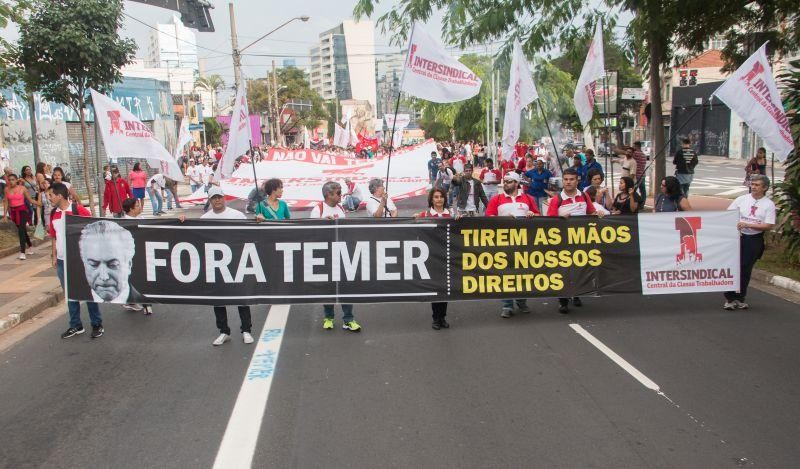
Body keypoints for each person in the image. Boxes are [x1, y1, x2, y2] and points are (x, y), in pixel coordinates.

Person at [49, 183, 104, 339]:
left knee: (87, 291)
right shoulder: (54, 213)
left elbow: (93, 229)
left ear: (59, 195)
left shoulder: (77, 210)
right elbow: (53, 236)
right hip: (62, 261)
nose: (50, 198)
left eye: (51, 195)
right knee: (70, 294)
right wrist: (53, 255)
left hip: (80, 259)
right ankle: (75, 325)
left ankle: (97, 323)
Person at [201, 187, 254, 345]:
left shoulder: (237, 215)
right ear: (210, 201)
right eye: (213, 198)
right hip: (215, 265)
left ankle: (246, 330)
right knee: (218, 299)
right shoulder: (204, 219)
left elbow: (250, 233)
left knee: (241, 298)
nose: (217, 200)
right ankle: (223, 331)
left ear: (224, 198)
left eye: (219, 197)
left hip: (237, 262)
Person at [547, 168, 603, 314]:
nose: (568, 182)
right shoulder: (556, 200)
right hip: (563, 242)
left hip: (581, 241)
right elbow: (548, 221)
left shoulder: (584, 196)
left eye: (571, 179)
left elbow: (591, 213)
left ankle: (577, 294)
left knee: (579, 270)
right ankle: (563, 300)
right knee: (564, 271)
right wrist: (560, 218)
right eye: (565, 179)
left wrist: (599, 213)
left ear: (577, 180)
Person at [485, 171, 539, 318]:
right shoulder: (497, 199)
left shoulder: (528, 198)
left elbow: (539, 216)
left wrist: (533, 215)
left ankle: (522, 301)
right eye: (505, 181)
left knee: (523, 274)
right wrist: (502, 219)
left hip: (524, 243)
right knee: (506, 274)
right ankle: (507, 305)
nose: (506, 184)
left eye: (509, 181)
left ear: (516, 183)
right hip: (504, 243)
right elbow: (488, 218)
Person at [309, 181, 361, 332]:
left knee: (346, 287)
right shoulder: (318, 209)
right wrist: (324, 224)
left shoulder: (340, 207)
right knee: (328, 288)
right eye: (338, 193)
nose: (341, 195)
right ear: (328, 194)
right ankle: (329, 317)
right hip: (324, 255)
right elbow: (310, 232)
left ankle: (349, 319)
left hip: (342, 253)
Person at [723, 175, 776, 310]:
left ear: (764, 188)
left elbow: (769, 225)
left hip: (754, 240)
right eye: (752, 184)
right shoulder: (741, 199)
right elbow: (728, 214)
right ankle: (729, 298)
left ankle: (740, 297)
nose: (753, 187)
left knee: (745, 267)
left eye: (757, 185)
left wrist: (749, 225)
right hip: (737, 237)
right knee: (733, 265)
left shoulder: (768, 204)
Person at [78, 220, 145, 304]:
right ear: (84, 264)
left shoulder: (143, 300)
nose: (104, 277)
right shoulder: (78, 296)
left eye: (113, 265)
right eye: (94, 265)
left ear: (129, 265)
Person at [415, 187, 452, 330]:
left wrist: (460, 219)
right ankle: (436, 318)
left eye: (441, 197)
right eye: (436, 197)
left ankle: (443, 317)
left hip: (447, 256)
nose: (439, 199)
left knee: (446, 289)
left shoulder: (452, 214)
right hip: (431, 257)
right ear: (431, 199)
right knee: (436, 289)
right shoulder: (425, 215)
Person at [120, 197, 152, 314]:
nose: (140, 207)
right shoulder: (123, 224)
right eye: (137, 205)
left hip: (143, 255)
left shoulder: (142, 218)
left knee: (143, 279)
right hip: (129, 258)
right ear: (131, 209)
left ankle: (145, 303)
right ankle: (133, 301)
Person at [2, 173, 41, 259]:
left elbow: (30, 199)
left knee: (21, 230)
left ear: (16, 180)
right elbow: (6, 202)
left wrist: (38, 203)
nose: (11, 181)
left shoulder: (22, 188)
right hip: (13, 212)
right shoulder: (6, 189)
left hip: (22, 211)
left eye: (13, 179)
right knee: (22, 230)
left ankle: (22, 252)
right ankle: (30, 245)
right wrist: (5, 215)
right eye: (9, 180)